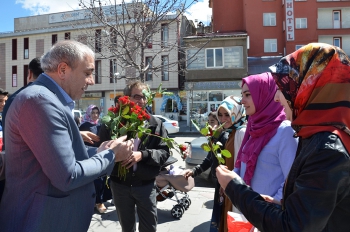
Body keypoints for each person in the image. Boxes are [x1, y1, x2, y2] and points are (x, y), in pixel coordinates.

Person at [0, 40, 134, 232]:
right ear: (63, 70)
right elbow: (68, 175)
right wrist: (111, 155)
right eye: (87, 73)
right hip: (37, 222)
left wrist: (99, 150)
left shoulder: (46, 99)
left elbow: (57, 154)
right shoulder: (40, 101)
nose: (91, 81)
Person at [216, 43, 350, 231]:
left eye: (285, 88)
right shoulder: (315, 137)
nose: (277, 97)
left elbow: (291, 227)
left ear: (309, 87)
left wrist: (234, 187)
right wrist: (283, 205)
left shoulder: (326, 149)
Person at [109, 81, 170, 232]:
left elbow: (164, 153)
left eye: (145, 97)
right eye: (137, 96)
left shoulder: (155, 124)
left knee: (149, 227)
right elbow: (103, 150)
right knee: (127, 228)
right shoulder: (115, 122)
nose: (141, 101)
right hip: (120, 186)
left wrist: (142, 155)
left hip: (145, 186)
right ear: (127, 98)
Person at [234, 72, 297, 206]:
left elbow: (292, 179)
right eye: (242, 95)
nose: (242, 101)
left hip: (268, 217)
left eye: (248, 95)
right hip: (251, 211)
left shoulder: (284, 131)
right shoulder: (254, 128)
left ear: (264, 95)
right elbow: (242, 166)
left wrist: (271, 205)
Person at [183, 111, 229, 232]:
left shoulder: (225, 139)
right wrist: (194, 171)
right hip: (218, 182)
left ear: (220, 123)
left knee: (222, 214)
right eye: (208, 122)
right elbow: (208, 160)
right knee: (218, 213)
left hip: (225, 184)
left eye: (212, 122)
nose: (209, 125)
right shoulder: (214, 139)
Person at [216, 96, 247, 232]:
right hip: (230, 187)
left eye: (227, 115)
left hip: (235, 187)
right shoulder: (232, 132)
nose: (223, 119)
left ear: (236, 112)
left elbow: (242, 166)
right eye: (220, 115)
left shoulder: (241, 132)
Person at [80, 105, 111, 213]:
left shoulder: (101, 125)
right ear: (88, 113)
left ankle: (100, 201)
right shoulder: (84, 126)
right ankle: (92, 201)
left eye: (97, 113)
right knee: (92, 180)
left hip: (101, 155)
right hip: (88, 155)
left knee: (101, 179)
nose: (95, 115)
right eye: (93, 113)